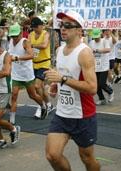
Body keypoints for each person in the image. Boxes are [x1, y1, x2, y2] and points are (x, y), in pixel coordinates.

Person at [44, 10, 100, 171]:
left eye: (68, 25)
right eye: (61, 25)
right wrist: (56, 85)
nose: (63, 29)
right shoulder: (59, 50)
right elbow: (63, 75)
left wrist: (62, 80)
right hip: (63, 114)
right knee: (52, 155)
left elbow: (92, 88)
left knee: (87, 158)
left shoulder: (84, 53)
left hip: (83, 115)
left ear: (79, 30)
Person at [8, 23, 48, 124]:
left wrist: (17, 58)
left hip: (27, 74)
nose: (14, 38)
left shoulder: (25, 42)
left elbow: (31, 56)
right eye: (12, 36)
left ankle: (43, 106)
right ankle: (12, 120)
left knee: (32, 95)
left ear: (21, 33)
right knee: (14, 95)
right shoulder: (10, 42)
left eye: (16, 36)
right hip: (15, 74)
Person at [29, 17, 53, 119]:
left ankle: (41, 106)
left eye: (36, 27)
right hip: (34, 64)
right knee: (41, 88)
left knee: (37, 86)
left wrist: (33, 45)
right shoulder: (31, 34)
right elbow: (28, 45)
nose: (34, 29)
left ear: (40, 26)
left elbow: (44, 45)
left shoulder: (45, 34)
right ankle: (49, 104)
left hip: (44, 63)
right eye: (33, 27)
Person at [89, 28, 113, 105]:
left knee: (102, 83)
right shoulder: (91, 42)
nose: (96, 38)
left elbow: (108, 49)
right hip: (95, 66)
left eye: (97, 36)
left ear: (100, 35)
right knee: (96, 85)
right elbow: (89, 51)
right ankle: (102, 99)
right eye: (94, 36)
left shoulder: (104, 41)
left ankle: (110, 91)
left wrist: (97, 50)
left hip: (104, 66)